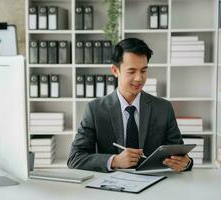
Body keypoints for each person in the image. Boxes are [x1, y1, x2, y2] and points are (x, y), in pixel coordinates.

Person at [67, 38, 193, 172]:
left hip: (155, 184)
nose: (139, 78)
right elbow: (75, 158)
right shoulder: (95, 109)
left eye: (143, 71)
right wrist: (114, 161)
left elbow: (180, 154)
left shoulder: (163, 108)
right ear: (115, 71)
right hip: (111, 186)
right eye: (131, 71)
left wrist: (186, 163)